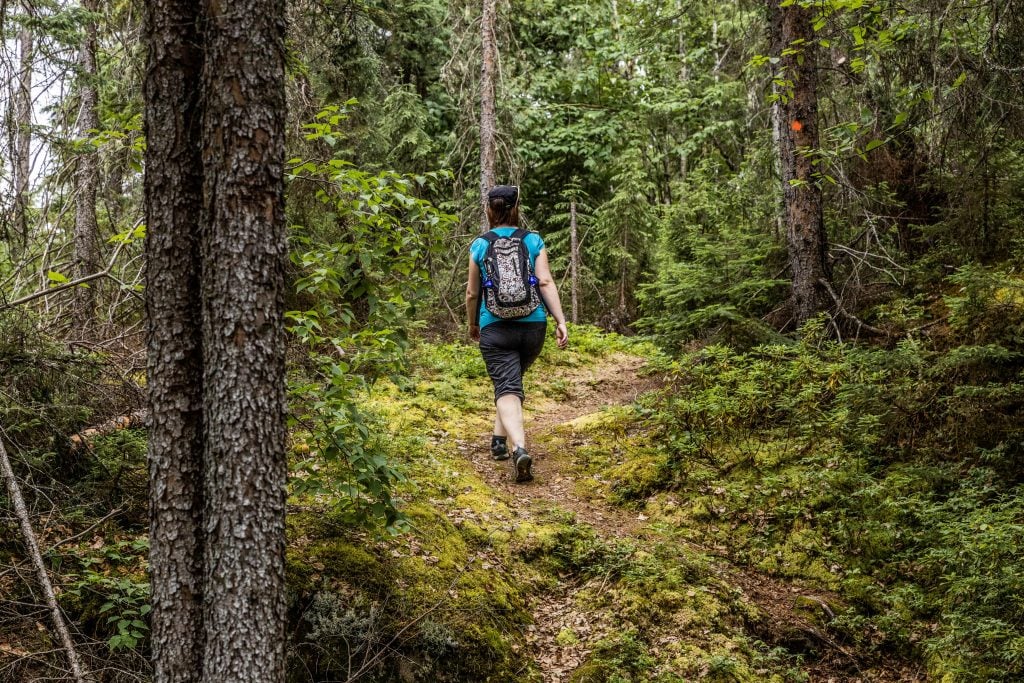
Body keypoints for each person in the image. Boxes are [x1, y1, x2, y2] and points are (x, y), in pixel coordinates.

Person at [466, 185, 569, 483]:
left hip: (494, 327)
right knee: (509, 382)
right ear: (515, 208)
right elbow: (546, 282)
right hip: (533, 326)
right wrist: (560, 320)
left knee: (506, 385)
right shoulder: (533, 240)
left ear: (489, 209)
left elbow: (472, 292)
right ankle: (498, 441)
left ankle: (519, 448)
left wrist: (472, 322)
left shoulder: (480, 244)